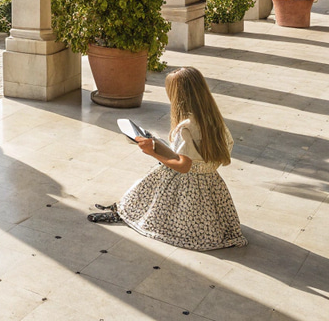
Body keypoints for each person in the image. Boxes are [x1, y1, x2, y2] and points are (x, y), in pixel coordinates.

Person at [88, 66, 247, 250]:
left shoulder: (186, 126)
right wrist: (156, 143)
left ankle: (125, 213)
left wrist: (152, 152)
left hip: (189, 187)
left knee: (155, 177)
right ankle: (124, 209)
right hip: (209, 183)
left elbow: (183, 166)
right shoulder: (212, 118)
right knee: (155, 176)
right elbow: (195, 157)